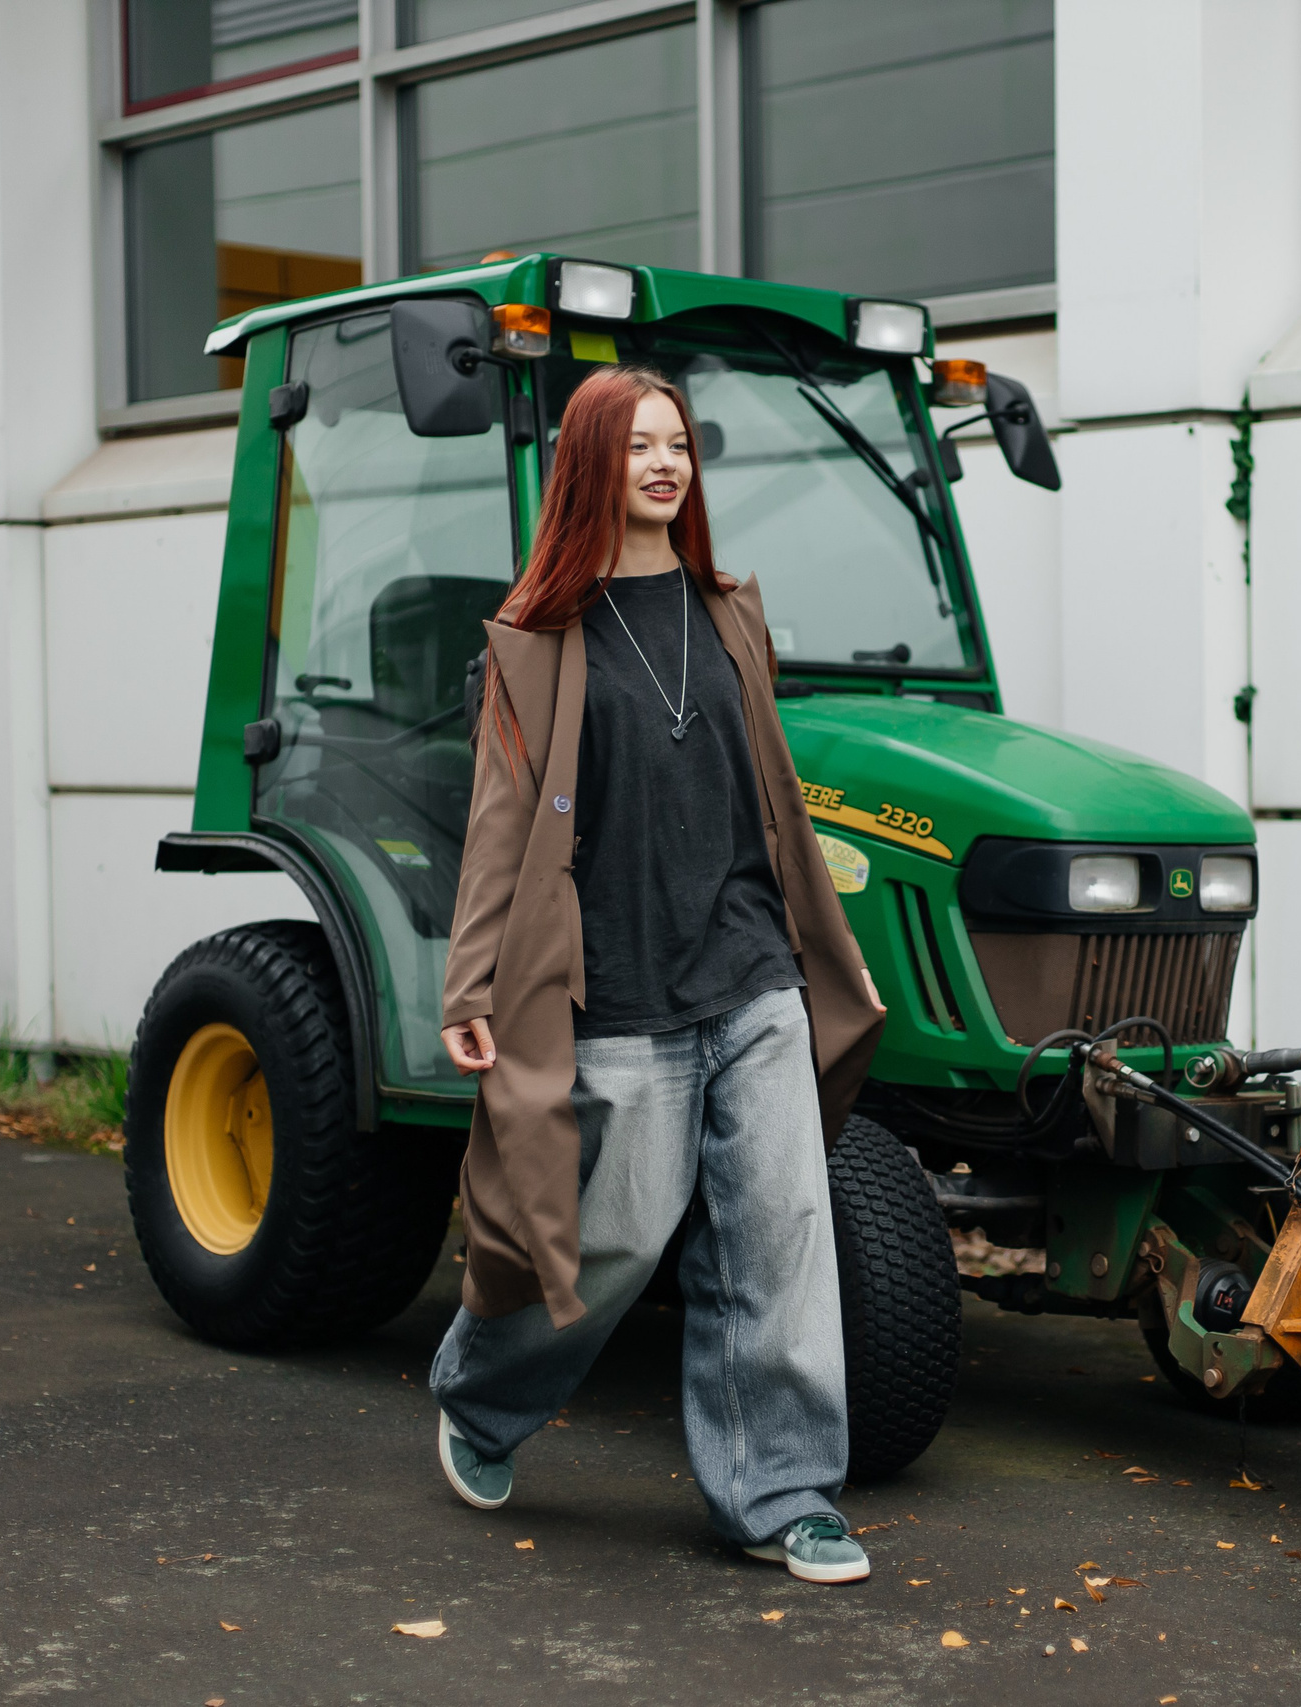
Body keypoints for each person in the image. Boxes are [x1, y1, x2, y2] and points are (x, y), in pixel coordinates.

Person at [425, 362, 886, 1585]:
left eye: (678, 443)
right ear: (591, 464)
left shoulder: (730, 610)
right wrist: (470, 985)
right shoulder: (536, 640)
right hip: (620, 985)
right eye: (638, 446)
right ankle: (482, 1391)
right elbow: (500, 821)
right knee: (614, 1237)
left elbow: (762, 787)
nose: (666, 463)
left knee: (779, 1235)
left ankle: (782, 1495)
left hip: (750, 970)